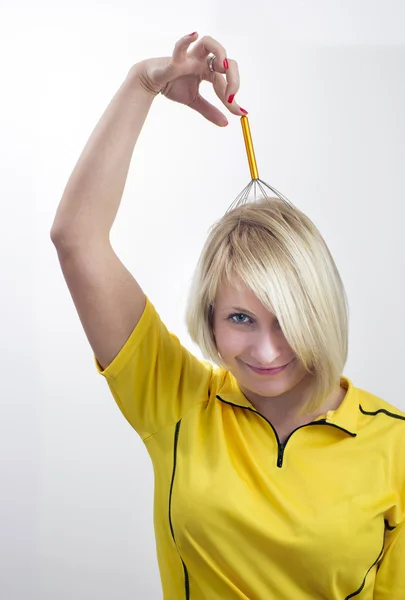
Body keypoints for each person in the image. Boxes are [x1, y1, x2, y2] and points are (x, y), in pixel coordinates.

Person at [51, 33, 405, 599]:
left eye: (289, 318)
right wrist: (144, 83)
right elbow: (76, 239)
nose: (267, 352)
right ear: (211, 320)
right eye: (241, 319)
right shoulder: (177, 400)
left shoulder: (396, 446)